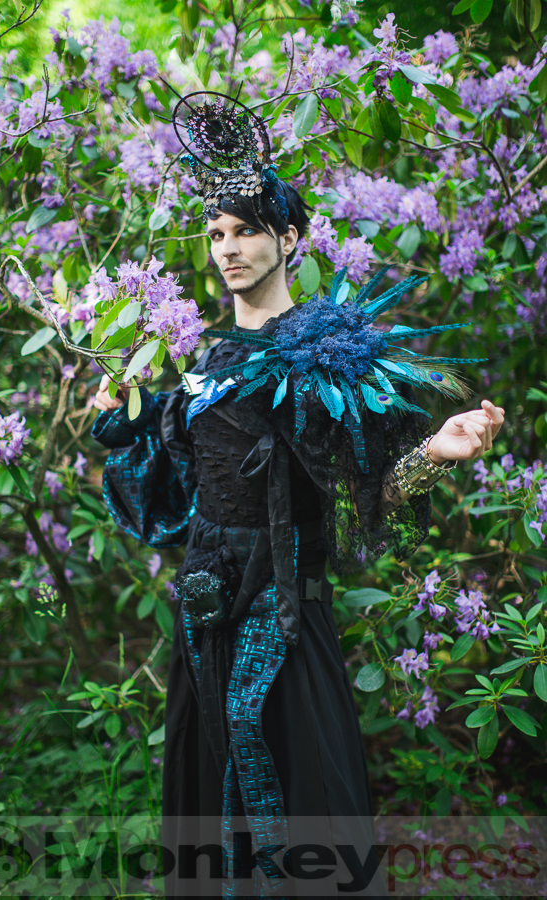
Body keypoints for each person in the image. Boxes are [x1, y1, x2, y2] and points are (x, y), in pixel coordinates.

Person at [91, 100, 504, 897]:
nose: (228, 249)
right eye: (215, 234)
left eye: (244, 230)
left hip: (281, 612)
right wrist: (130, 422)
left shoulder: (323, 353)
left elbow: (362, 488)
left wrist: (436, 454)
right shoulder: (208, 359)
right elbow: (176, 494)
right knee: (207, 800)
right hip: (204, 617)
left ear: (287, 239)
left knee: (308, 797)